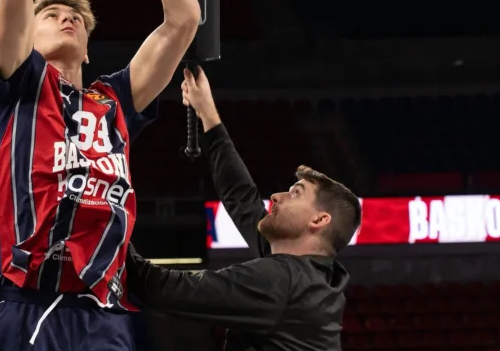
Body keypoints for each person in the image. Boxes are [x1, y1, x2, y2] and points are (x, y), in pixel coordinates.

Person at [0, 0, 201, 351]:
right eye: (52, 13)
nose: (67, 18)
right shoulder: (17, 83)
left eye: (75, 16)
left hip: (102, 313)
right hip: (24, 303)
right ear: (25, 36)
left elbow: (184, 20)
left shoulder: (114, 98)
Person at [126, 67, 362, 351]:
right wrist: (208, 113)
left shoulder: (282, 281)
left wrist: (104, 221)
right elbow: (242, 198)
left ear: (320, 219)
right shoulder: (312, 277)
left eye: (295, 194)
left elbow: (158, 288)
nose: (276, 196)